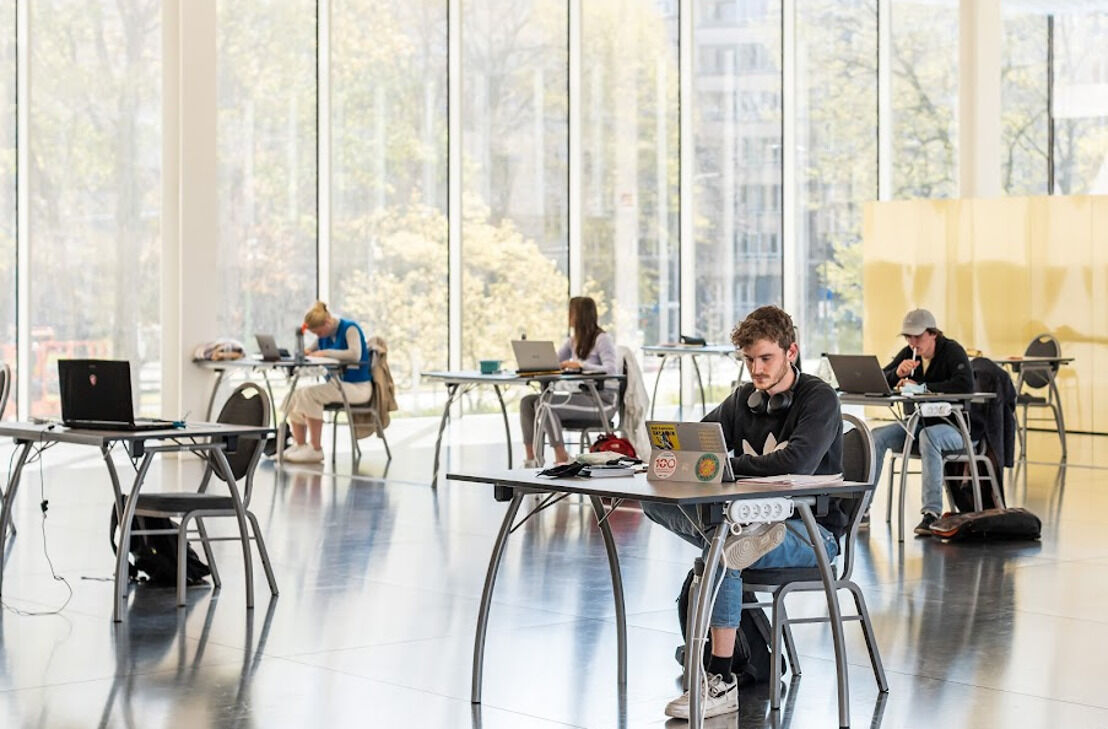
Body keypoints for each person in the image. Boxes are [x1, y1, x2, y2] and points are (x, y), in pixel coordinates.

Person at [641, 306, 845, 720]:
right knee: (658, 504)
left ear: (791, 352)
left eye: (766, 358)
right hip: (751, 521)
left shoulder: (819, 398)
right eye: (749, 359)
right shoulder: (742, 400)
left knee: (723, 550)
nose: (756, 369)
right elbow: (698, 443)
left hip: (810, 533)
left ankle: (721, 680)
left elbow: (798, 461)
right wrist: (678, 458)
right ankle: (737, 539)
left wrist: (727, 467)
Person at [870, 308, 975, 535]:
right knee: (876, 436)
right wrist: (897, 374)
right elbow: (880, 379)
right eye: (908, 337)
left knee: (930, 436)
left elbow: (965, 385)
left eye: (917, 336)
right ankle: (861, 510)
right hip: (917, 426)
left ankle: (931, 513)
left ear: (933, 334)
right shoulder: (909, 353)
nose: (912, 342)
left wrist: (922, 388)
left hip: (955, 429)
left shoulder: (952, 351)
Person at [520, 296, 620, 466]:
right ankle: (531, 460)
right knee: (528, 402)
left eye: (571, 312)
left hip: (602, 402)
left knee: (546, 405)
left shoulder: (602, 339)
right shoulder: (573, 341)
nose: (568, 316)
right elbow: (554, 362)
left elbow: (611, 369)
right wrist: (536, 364)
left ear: (581, 315)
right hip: (581, 397)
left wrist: (580, 365)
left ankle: (562, 457)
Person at [283, 301, 373, 464]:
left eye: (319, 332)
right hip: (337, 386)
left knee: (310, 394)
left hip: (358, 388)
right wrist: (306, 352)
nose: (318, 336)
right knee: (294, 395)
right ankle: (300, 446)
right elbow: (311, 351)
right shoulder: (323, 336)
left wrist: (324, 353)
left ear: (327, 322)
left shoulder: (350, 328)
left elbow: (355, 355)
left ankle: (315, 449)